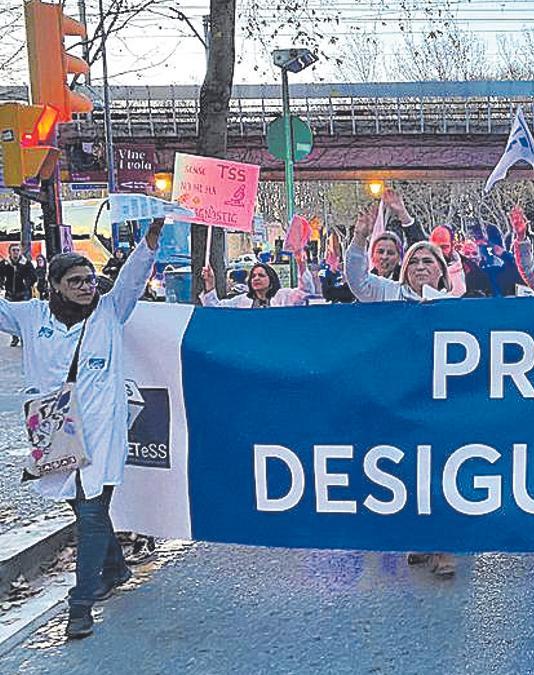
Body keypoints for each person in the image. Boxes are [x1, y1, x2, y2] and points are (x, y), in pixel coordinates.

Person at [0, 219, 163, 640]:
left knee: (91, 512)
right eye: (76, 281)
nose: (87, 286)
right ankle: (114, 568)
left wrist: (149, 241)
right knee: (82, 508)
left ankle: (81, 603)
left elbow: (131, 277)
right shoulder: (29, 316)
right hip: (53, 427)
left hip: (101, 431)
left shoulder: (110, 310)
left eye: (90, 279)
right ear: (54, 285)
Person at [347, 198, 455, 576]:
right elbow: (356, 279)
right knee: (409, 468)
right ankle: (419, 536)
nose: (421, 267)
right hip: (399, 398)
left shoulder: (454, 305)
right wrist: (360, 238)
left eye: (429, 261)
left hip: (442, 401)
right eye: (414, 262)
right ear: (404, 271)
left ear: (442, 272)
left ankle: (445, 546)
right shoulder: (387, 294)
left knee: (442, 469)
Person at [199, 254, 317, 308]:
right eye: (253, 276)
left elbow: (305, 292)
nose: (256, 278)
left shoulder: (284, 296)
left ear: (271, 280)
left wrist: (302, 266)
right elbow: (215, 309)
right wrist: (210, 283)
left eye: (261, 275)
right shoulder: (241, 301)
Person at [0, 245, 38, 346]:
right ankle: (14, 337)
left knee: (24, 317)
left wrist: (27, 283)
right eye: (13, 250)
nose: (15, 252)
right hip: (10, 294)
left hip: (23, 294)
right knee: (11, 317)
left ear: (20, 252)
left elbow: (34, 276)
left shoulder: (26, 264)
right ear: (9, 252)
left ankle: (23, 337)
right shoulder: (4, 264)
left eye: (17, 250)